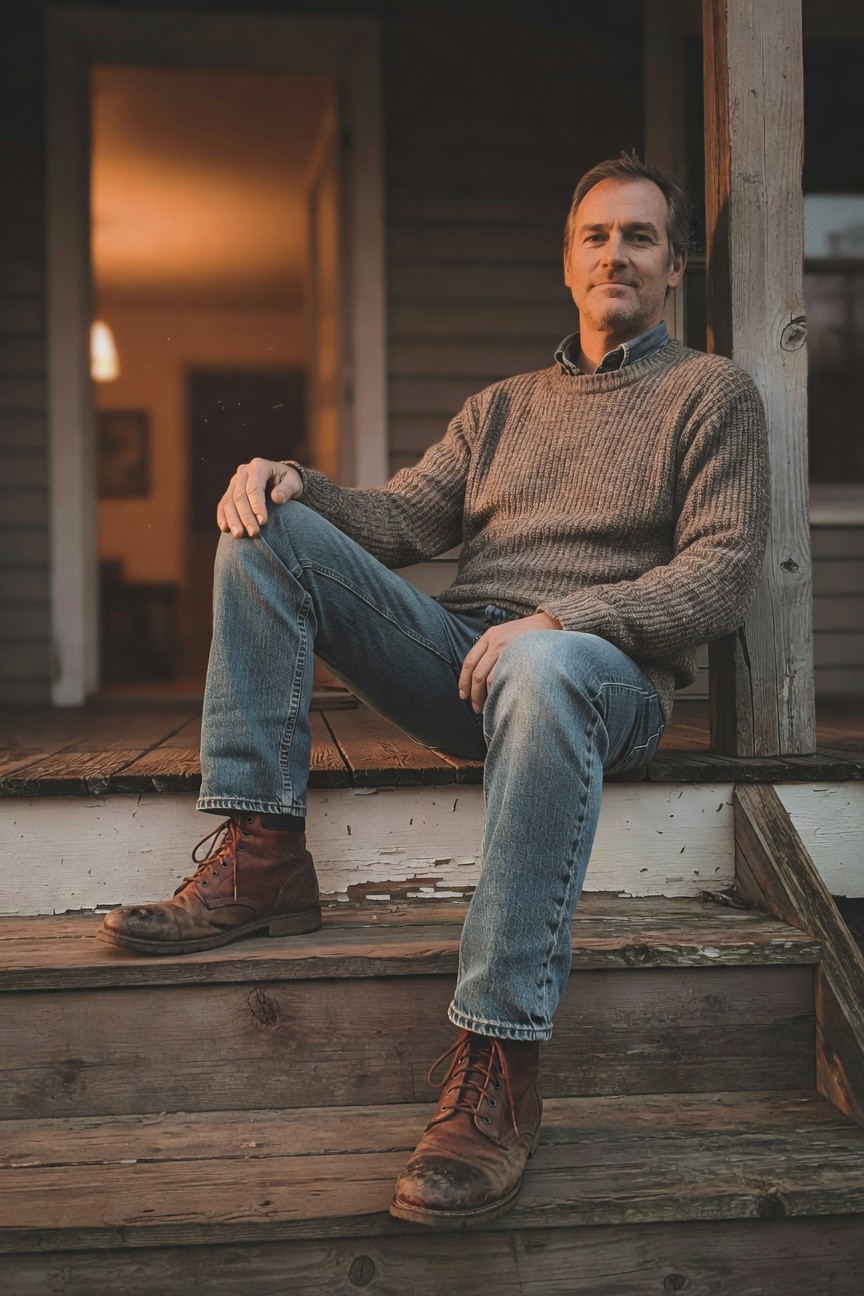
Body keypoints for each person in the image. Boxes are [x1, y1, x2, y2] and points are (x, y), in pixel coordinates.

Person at [98, 152, 769, 1227]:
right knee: (263, 536)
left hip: (601, 677)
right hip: (468, 656)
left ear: (675, 265)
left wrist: (568, 619)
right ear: (566, 264)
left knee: (544, 664)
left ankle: (499, 1065)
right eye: (596, 235)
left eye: (640, 237)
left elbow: (721, 572)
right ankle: (263, 857)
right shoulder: (500, 407)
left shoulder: (710, 393)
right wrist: (292, 482)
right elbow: (406, 519)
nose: (616, 254)